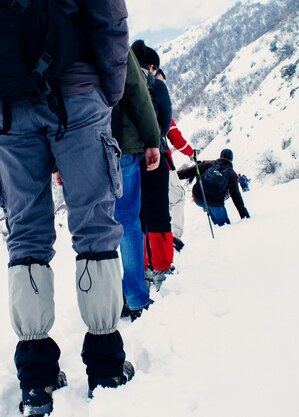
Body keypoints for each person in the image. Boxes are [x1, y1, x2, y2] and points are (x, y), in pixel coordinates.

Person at [0, 0, 134, 412]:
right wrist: (108, 91)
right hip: (77, 95)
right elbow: (110, 18)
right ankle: (106, 366)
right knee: (94, 227)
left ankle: (36, 378)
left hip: (5, 107)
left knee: (26, 237)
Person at [112, 50, 161, 321]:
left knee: (93, 229)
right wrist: (152, 139)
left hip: (78, 148)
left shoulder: (53, 23)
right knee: (128, 222)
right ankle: (134, 298)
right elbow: (136, 91)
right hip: (121, 142)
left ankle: (102, 303)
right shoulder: (108, 26)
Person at [130, 39, 174, 291]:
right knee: (159, 212)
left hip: (127, 158)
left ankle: (141, 267)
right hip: (155, 156)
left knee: (136, 216)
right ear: (152, 65)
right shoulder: (156, 85)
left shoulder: (121, 81)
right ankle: (161, 267)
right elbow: (165, 122)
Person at [155, 68, 195, 253]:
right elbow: (174, 136)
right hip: (161, 161)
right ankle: (174, 236)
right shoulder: (158, 106)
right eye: (161, 82)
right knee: (177, 197)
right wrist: (191, 152)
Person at [178, 149, 251, 226]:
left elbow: (188, 171)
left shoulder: (208, 163)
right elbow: (236, 196)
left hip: (198, 197)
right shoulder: (232, 174)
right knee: (224, 225)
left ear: (220, 156)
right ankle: (222, 229)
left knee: (209, 206)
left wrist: (172, 175)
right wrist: (244, 214)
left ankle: (215, 224)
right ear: (231, 159)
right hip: (215, 202)